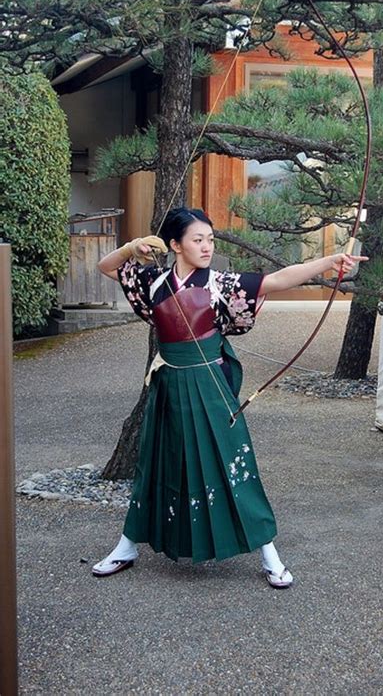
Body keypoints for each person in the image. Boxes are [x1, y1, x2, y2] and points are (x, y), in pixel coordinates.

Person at [93, 207, 367, 587]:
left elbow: (276, 280)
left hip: (208, 384)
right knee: (156, 464)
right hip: (168, 384)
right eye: (197, 240)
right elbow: (108, 267)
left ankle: (269, 552)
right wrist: (131, 247)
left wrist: (329, 261)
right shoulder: (154, 281)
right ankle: (127, 545)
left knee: (230, 463)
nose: (207, 246)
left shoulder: (219, 283)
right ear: (175, 245)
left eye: (210, 239)